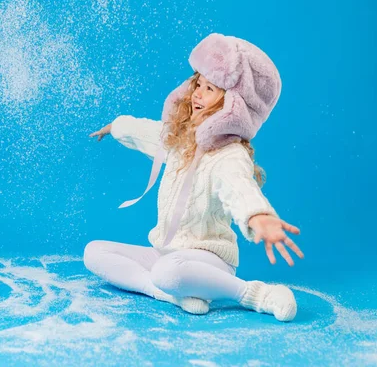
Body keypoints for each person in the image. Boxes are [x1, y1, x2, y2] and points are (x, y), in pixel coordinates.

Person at [84, 33, 304, 322]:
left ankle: (254, 294)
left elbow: (239, 187)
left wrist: (258, 217)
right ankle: (167, 293)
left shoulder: (228, 154)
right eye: (197, 84)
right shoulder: (179, 139)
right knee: (94, 252)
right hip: (166, 255)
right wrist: (117, 126)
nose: (197, 93)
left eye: (210, 88)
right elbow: (147, 132)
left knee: (168, 271)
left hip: (208, 261)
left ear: (231, 105)